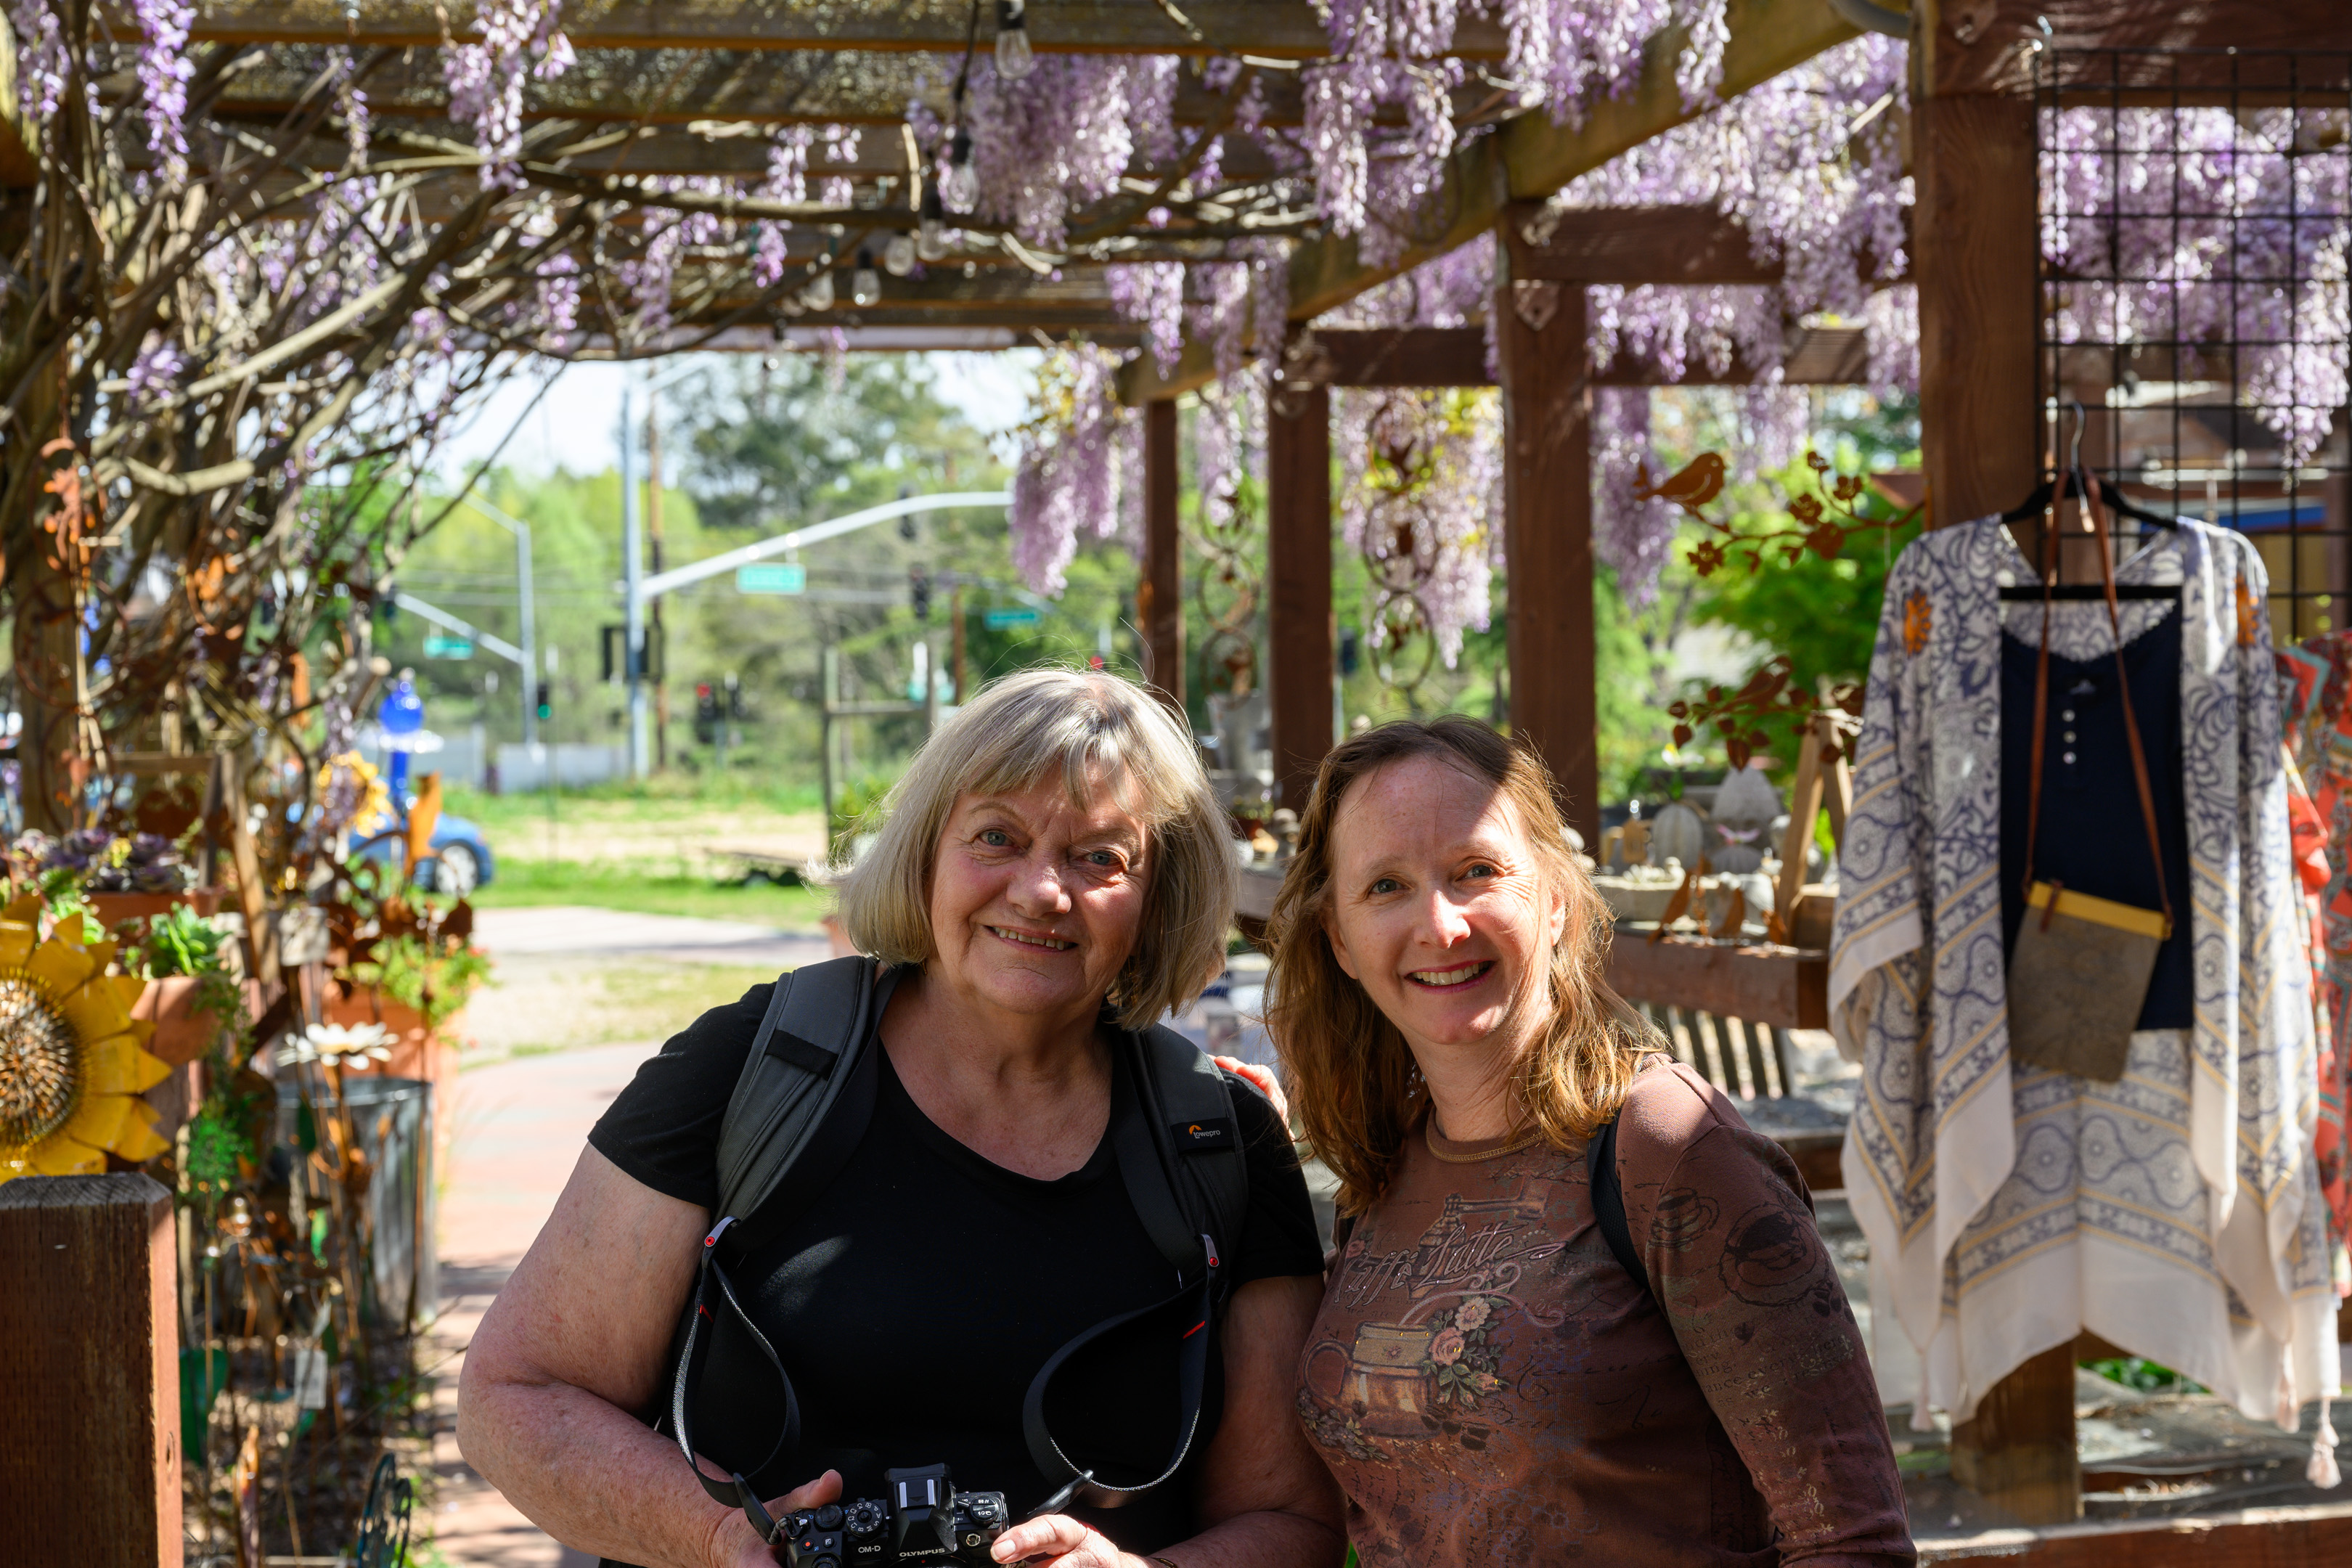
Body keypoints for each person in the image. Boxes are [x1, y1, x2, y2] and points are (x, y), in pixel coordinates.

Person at [460, 669, 1346, 1568]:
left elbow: (1293, 1520)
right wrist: (721, 1538)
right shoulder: (753, 1068)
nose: (1041, 890)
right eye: (996, 836)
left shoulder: (1218, 1141)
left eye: (1100, 858)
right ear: (925, 852)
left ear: (1160, 896)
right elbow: (518, 1397)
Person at [1265, 716, 1912, 1566]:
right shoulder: (1383, 1166)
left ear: (1555, 898)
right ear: (1339, 941)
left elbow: (1853, 1542)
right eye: (1387, 886)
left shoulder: (1670, 1148)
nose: (1442, 924)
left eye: (1476, 871)